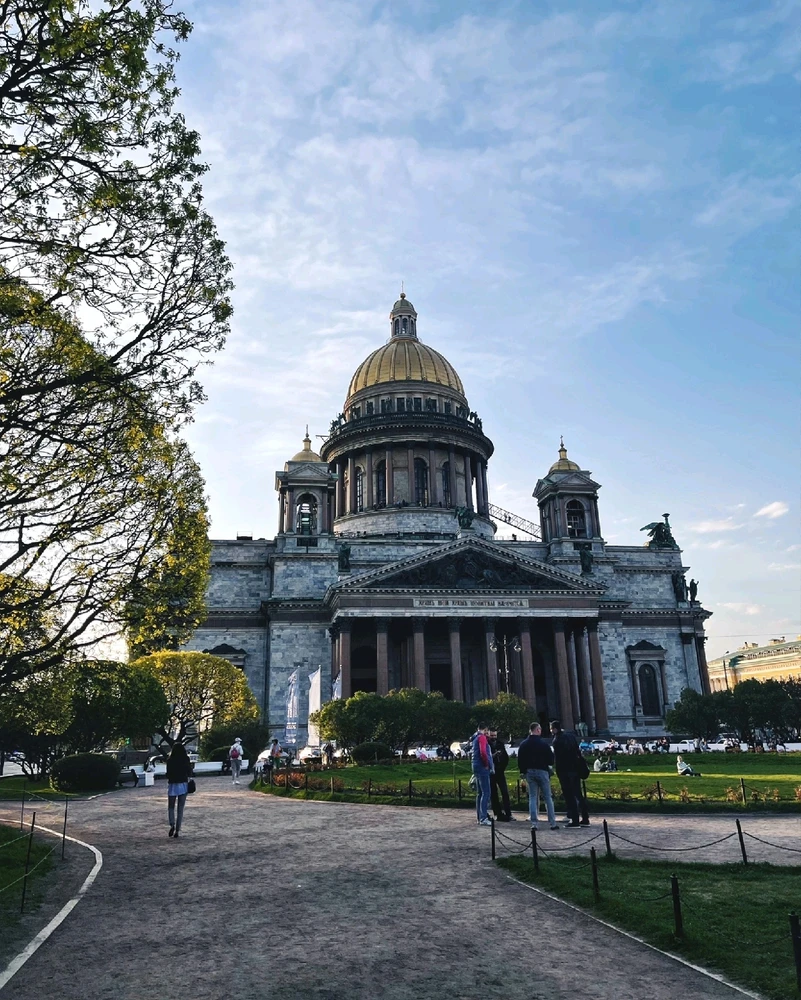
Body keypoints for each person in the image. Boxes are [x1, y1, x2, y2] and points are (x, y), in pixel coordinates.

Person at [517, 722, 559, 831]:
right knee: (547, 797)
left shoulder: (524, 744)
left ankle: (534, 823)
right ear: (538, 730)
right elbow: (551, 760)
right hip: (543, 771)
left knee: (532, 797)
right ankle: (552, 823)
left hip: (529, 772)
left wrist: (523, 771)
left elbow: (520, 760)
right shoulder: (544, 744)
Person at [550, 720, 590, 828]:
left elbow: (558, 759)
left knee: (569, 795)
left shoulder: (556, 740)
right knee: (578, 794)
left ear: (554, 729)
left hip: (565, 771)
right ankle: (585, 818)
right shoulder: (571, 736)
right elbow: (577, 751)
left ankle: (575, 820)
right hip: (575, 769)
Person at [166, 743, 193, 839]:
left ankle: (172, 824)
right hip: (183, 784)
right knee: (180, 808)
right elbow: (189, 771)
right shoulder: (185, 759)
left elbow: (168, 774)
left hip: (173, 784)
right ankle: (177, 829)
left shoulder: (170, 760)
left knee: (171, 807)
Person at [471, 724, 494, 827]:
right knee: (486, 792)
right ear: (485, 730)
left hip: (475, 765)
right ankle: (483, 817)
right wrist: (487, 764)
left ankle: (479, 816)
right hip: (482, 766)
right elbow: (483, 752)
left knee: (480, 793)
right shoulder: (482, 737)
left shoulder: (475, 738)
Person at [488, 731, 512, 822]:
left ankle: (508, 813)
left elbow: (505, 757)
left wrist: (502, 767)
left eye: (495, 735)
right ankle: (497, 813)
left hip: (500, 771)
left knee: (505, 792)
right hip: (491, 772)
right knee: (494, 794)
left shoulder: (500, 744)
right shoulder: (487, 745)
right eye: (492, 735)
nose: (493, 737)